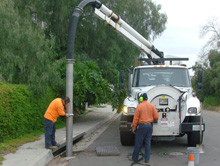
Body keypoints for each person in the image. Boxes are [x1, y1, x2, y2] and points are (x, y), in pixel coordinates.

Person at [130, 93, 159, 163]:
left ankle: (135, 158)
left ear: (141, 99)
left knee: (138, 142)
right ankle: (147, 159)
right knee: (148, 142)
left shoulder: (139, 106)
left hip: (142, 126)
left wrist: (134, 127)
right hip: (149, 126)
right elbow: (156, 117)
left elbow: (135, 119)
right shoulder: (151, 106)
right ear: (147, 98)